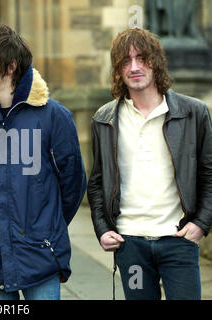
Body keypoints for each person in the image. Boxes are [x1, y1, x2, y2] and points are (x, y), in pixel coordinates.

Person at [0, 24, 86, 300]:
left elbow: (73, 183)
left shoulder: (54, 116)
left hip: (40, 251)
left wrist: (46, 227)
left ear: (9, 67)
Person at [87, 28, 212, 300]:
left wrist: (202, 222)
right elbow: (97, 181)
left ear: (156, 62)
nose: (134, 67)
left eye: (142, 58)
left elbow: (209, 173)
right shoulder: (104, 118)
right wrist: (101, 228)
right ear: (118, 70)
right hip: (130, 244)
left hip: (178, 240)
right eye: (125, 61)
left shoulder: (194, 113)